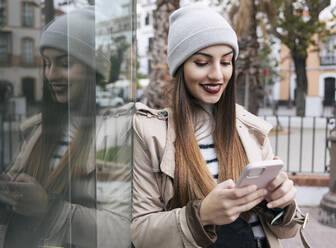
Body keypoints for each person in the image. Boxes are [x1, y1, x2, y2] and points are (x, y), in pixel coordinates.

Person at [132, 4, 307, 248]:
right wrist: (201, 214)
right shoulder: (150, 133)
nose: (217, 75)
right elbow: (139, 234)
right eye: (202, 62)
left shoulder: (249, 128)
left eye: (226, 62)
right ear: (180, 68)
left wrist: (284, 204)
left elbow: (285, 232)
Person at [0, 8, 132, 248]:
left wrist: (47, 209)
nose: (51, 74)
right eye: (47, 64)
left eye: (65, 64)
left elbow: (120, 232)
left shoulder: (117, 136)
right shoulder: (36, 130)